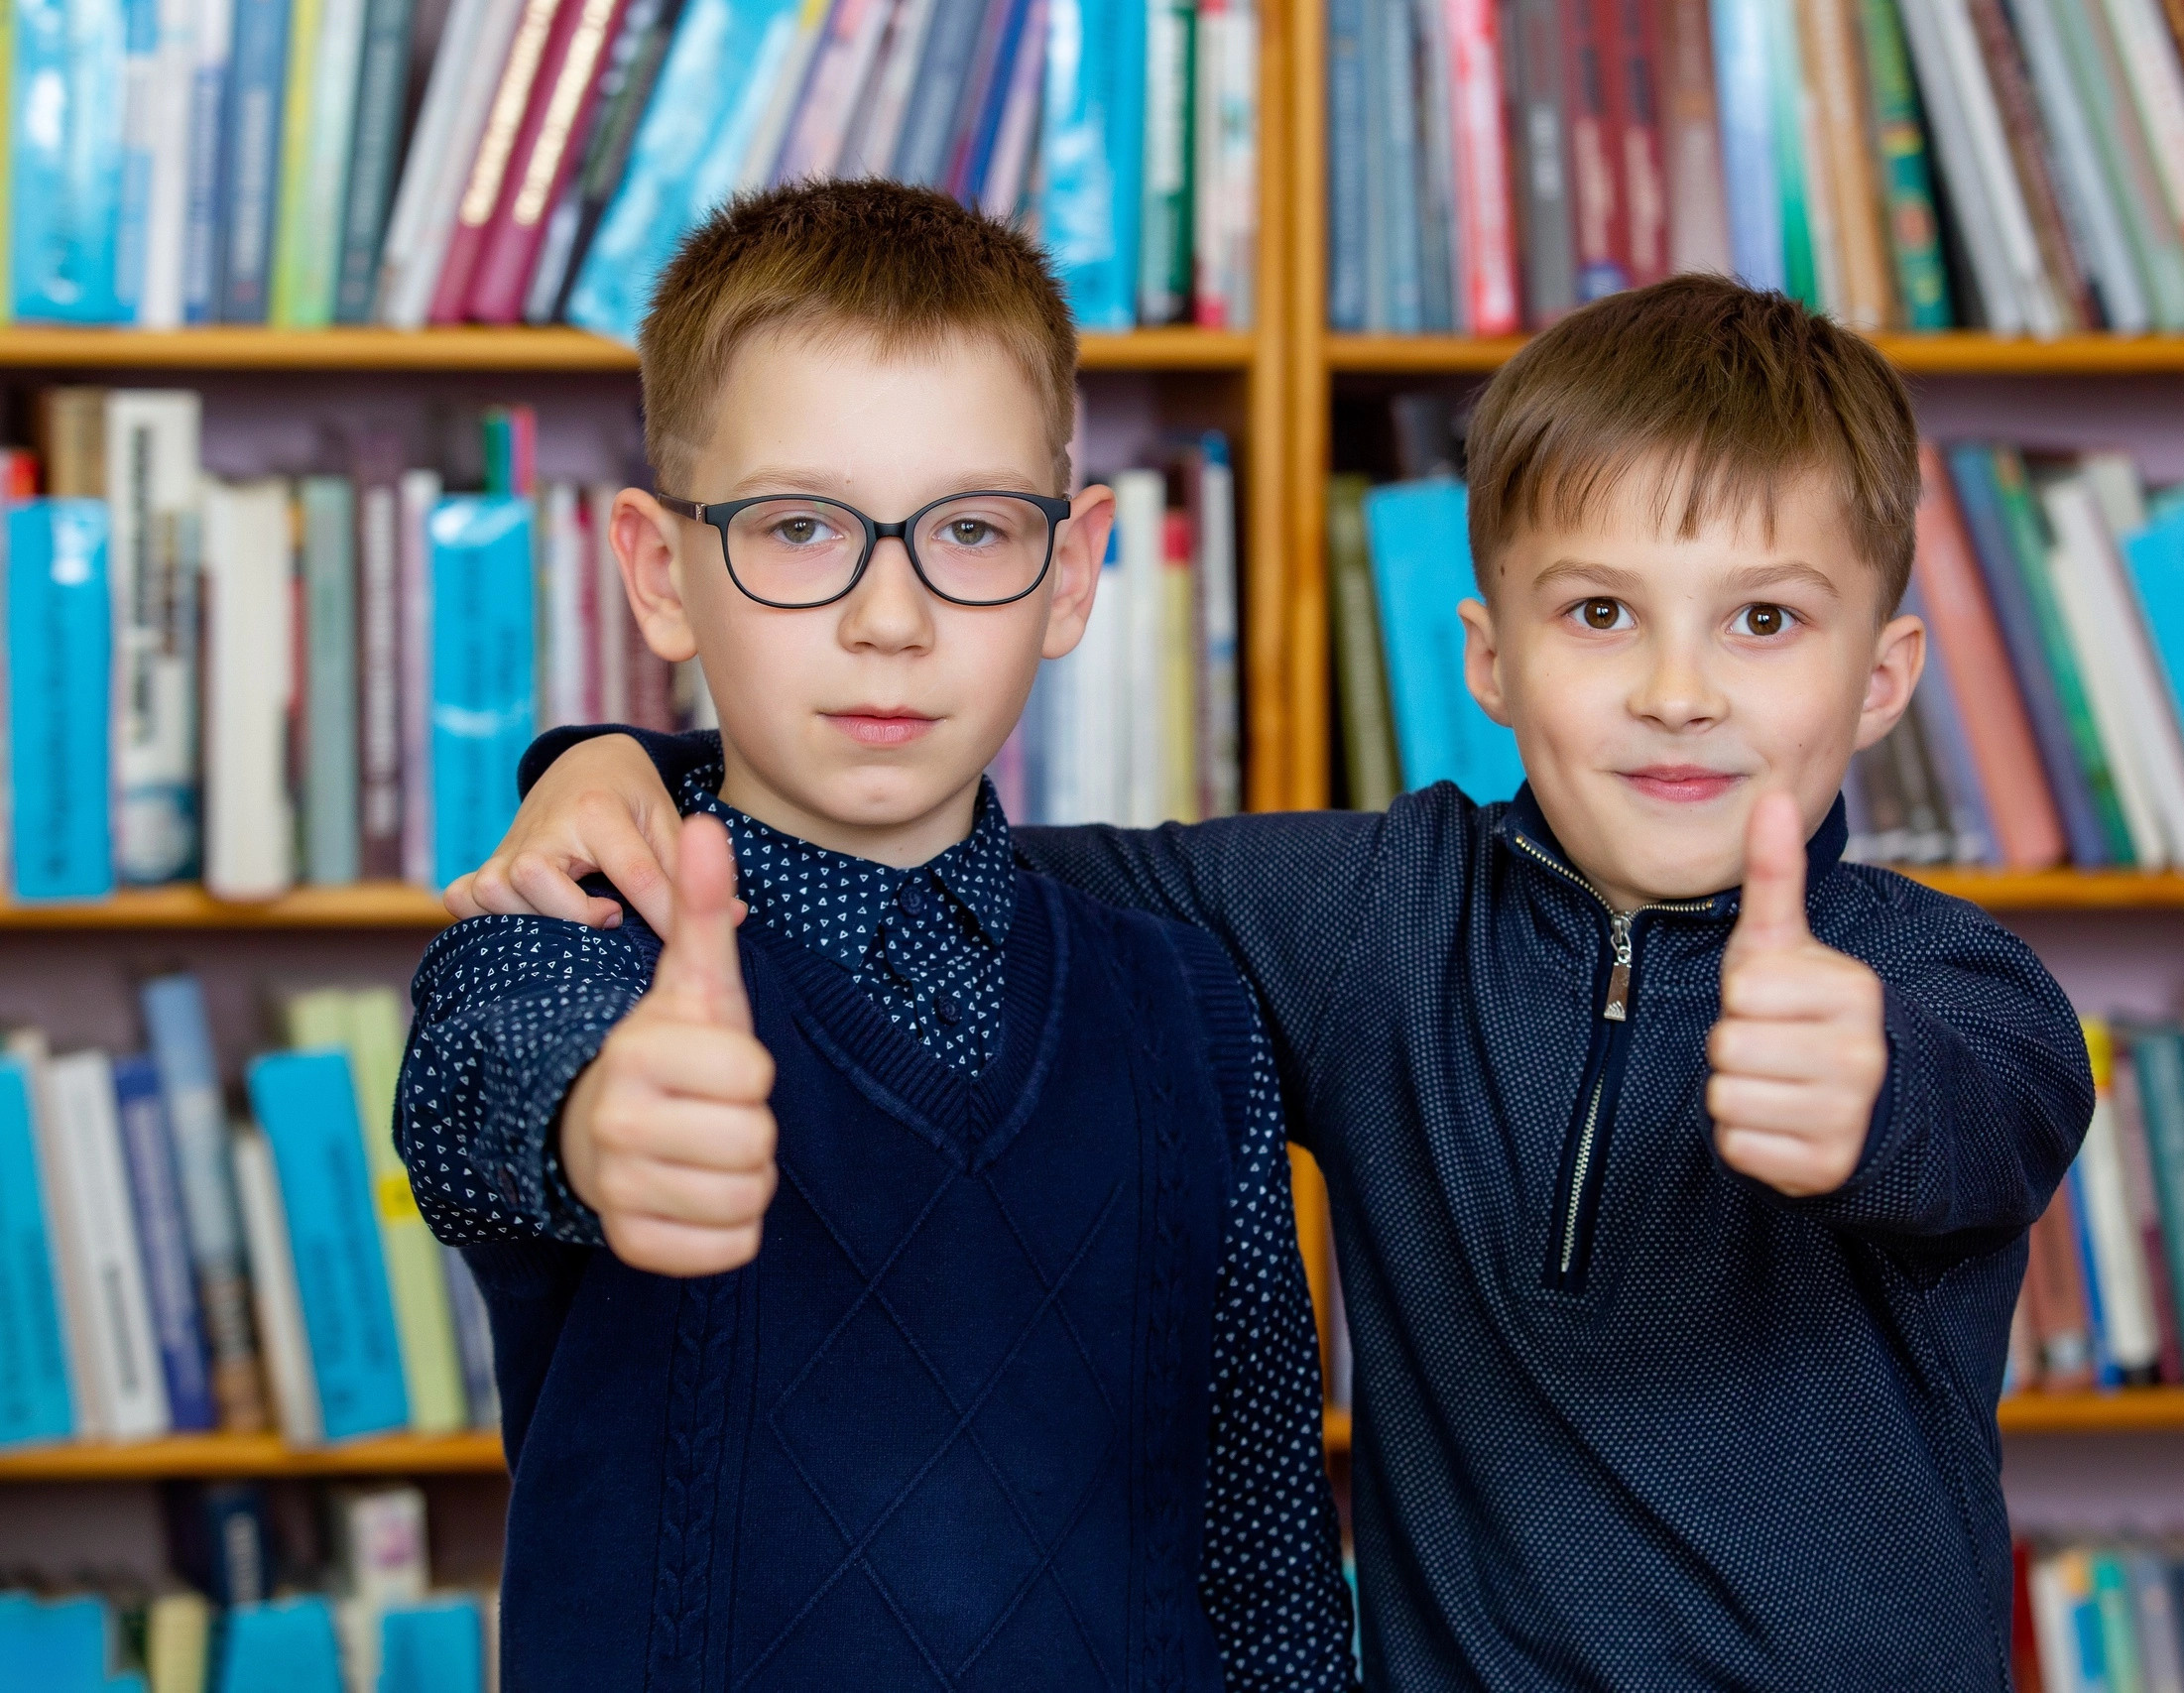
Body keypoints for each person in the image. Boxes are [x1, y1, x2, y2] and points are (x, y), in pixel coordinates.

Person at [458, 273, 2095, 1689]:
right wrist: (618, 766)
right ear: (1490, 660)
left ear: (1882, 679)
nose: (1677, 692)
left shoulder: (1948, 983)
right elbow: (913, 836)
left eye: (1763, 621)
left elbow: (1985, 1116)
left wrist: (1868, 1092)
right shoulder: (1368, 916)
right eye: (1602, 612)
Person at [392, 178, 1354, 1692]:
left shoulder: (1194, 1008)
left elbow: (1259, 1535)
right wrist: (597, 1126)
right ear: (658, 572)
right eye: (798, 528)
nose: (888, 618)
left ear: (1073, 569)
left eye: (970, 531)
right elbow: (477, 1094)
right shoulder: (569, 939)